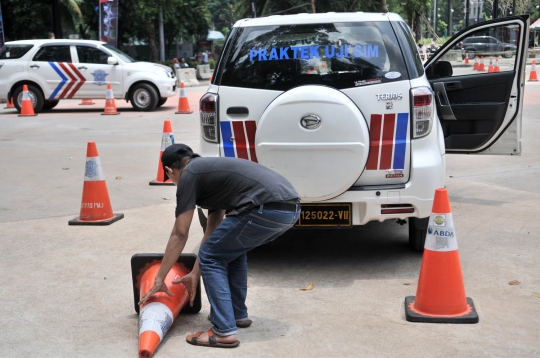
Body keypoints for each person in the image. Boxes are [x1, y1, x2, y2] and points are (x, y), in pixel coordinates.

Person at [139, 144, 300, 348]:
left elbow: (180, 233)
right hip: (289, 210)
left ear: (170, 171)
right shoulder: (208, 173)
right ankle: (236, 314)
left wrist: (160, 277)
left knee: (212, 256)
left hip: (265, 207)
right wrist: (195, 273)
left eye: (170, 178)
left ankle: (223, 331)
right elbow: (213, 228)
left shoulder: (188, 175)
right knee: (231, 251)